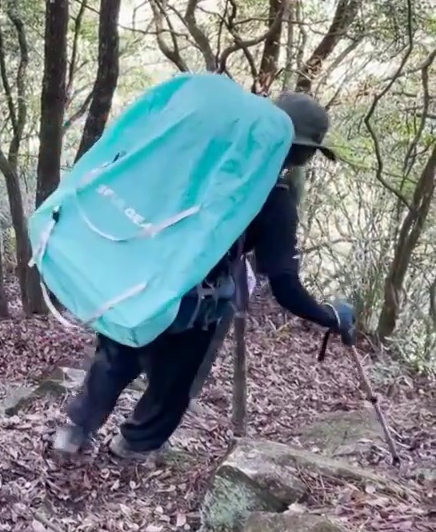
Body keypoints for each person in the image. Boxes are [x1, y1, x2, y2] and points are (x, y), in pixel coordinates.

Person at [52, 92, 357, 460]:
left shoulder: (201, 163)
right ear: (298, 151)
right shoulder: (275, 201)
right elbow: (285, 286)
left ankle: (73, 433)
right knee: (174, 386)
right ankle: (131, 447)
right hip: (194, 306)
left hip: (138, 283)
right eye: (308, 152)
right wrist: (330, 316)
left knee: (116, 357)